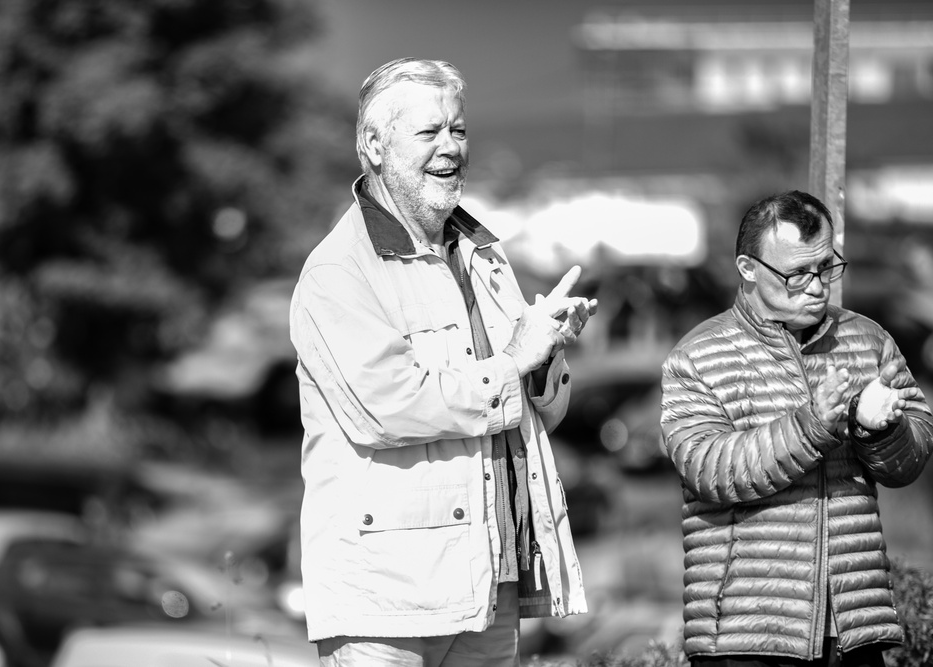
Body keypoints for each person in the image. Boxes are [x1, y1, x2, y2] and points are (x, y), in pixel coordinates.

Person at [289, 57, 597, 666]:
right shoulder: (337, 272)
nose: (449, 148)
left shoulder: (485, 256)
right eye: (428, 133)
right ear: (373, 146)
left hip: (490, 583)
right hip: (385, 602)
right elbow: (389, 407)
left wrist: (543, 355)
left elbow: (535, 414)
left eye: (457, 130)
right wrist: (513, 361)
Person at [660, 190, 933, 667]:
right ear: (748, 269)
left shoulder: (869, 340)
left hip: (853, 621)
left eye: (827, 266)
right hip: (746, 631)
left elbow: (910, 461)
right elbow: (709, 471)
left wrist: (880, 430)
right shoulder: (696, 355)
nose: (817, 286)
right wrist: (813, 426)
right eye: (797, 274)